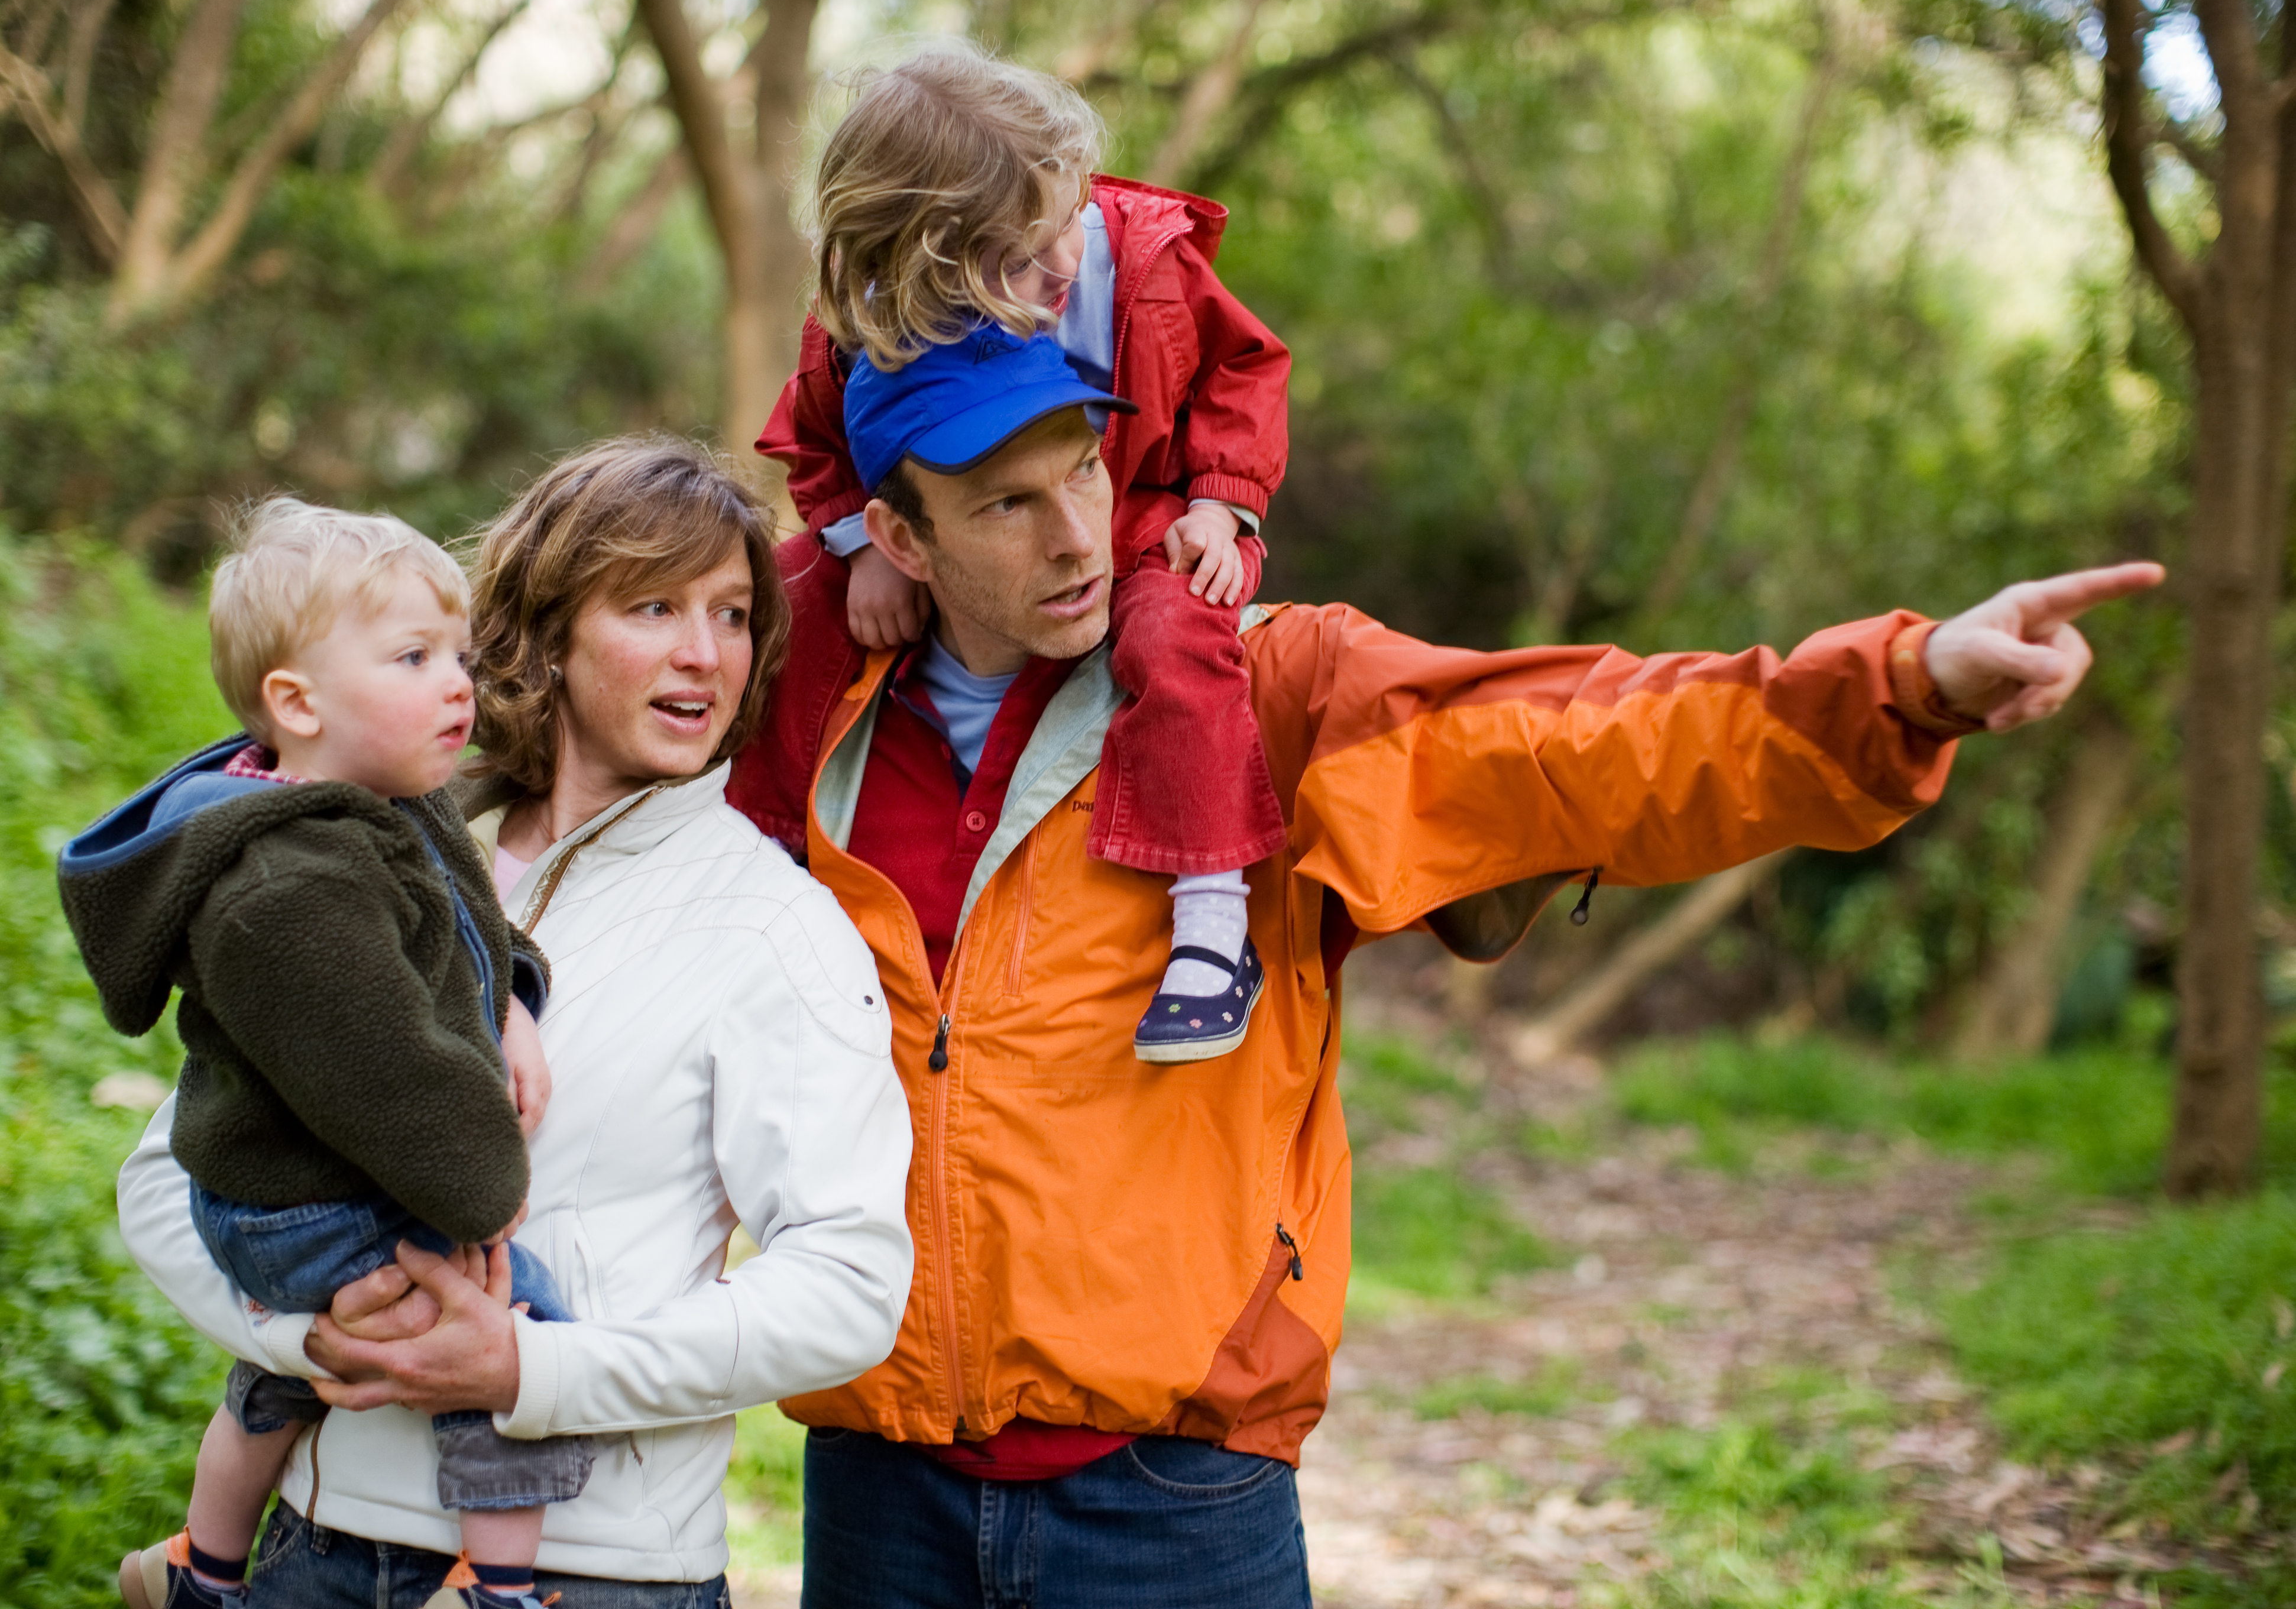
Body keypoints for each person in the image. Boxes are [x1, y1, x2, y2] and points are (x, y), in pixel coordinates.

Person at [294, 355, 2159, 1608]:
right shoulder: (804, 725)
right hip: (875, 1499)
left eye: (1086, 477)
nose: (1075, 536)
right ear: (894, 532)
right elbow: (538, 816)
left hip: (1169, 1500)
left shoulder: (1256, 693)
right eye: (1000, 503)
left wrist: (1897, 681)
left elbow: (1581, 745)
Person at [113, 437, 914, 1608]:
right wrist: (311, 1337)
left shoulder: (776, 926)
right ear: (547, 630)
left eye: (734, 614)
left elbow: (849, 1285)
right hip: (310, 1548)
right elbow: (170, 1168)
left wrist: (534, 1366)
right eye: (653, 605)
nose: (706, 652)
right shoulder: (365, 850)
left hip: (594, 1576)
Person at [59, 500, 587, 1609]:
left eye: (458, 654)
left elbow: (470, 928)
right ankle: (502, 1588)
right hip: (296, 1203)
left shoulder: (388, 800)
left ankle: (199, 1569)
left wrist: (514, 1003)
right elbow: (392, 1075)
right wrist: (483, 1199)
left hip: (290, 1181)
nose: (458, 683)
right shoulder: (287, 890)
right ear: (297, 703)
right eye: (412, 658)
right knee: (513, 1326)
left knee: (281, 1371)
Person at [745, 46, 1291, 1063]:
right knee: (793, 599)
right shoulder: (872, 318)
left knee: (1177, 638)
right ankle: (764, 855)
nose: (1056, 272)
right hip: (953, 523)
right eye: (1011, 261)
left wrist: (1224, 502)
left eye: (1060, 230)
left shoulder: (1136, 259)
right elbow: (816, 437)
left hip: (1148, 516)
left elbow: (1242, 370)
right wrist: (866, 538)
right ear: (917, 261)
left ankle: (1212, 914)